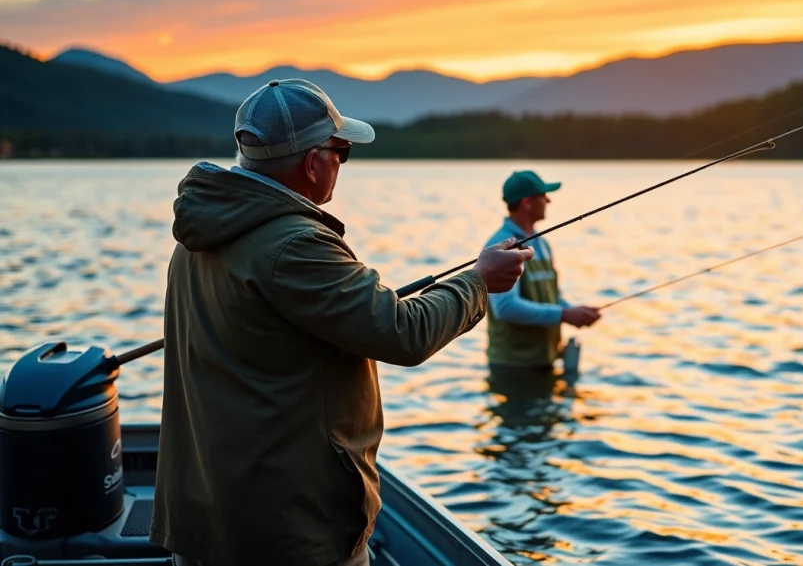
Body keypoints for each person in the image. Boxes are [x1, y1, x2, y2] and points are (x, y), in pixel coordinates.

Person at [151, 78, 534, 566]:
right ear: (313, 163)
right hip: (286, 531)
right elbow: (403, 333)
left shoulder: (197, 236)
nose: (341, 163)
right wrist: (478, 282)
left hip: (207, 518)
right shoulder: (295, 245)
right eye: (341, 151)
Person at [483, 170, 601, 372]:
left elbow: (552, 296)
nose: (549, 200)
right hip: (512, 366)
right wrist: (564, 315)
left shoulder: (542, 243)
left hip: (546, 359)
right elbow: (505, 308)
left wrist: (574, 312)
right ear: (528, 202)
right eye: (543, 196)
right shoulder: (500, 246)